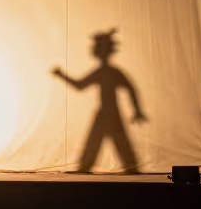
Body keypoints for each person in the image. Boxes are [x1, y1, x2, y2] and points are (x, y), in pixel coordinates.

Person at [53, 29, 147, 173]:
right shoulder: (105, 72)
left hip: (108, 113)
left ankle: (128, 167)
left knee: (107, 142)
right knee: (102, 142)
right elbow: (80, 85)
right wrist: (137, 111)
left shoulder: (110, 72)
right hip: (107, 113)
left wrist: (138, 111)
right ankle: (127, 167)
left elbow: (130, 88)